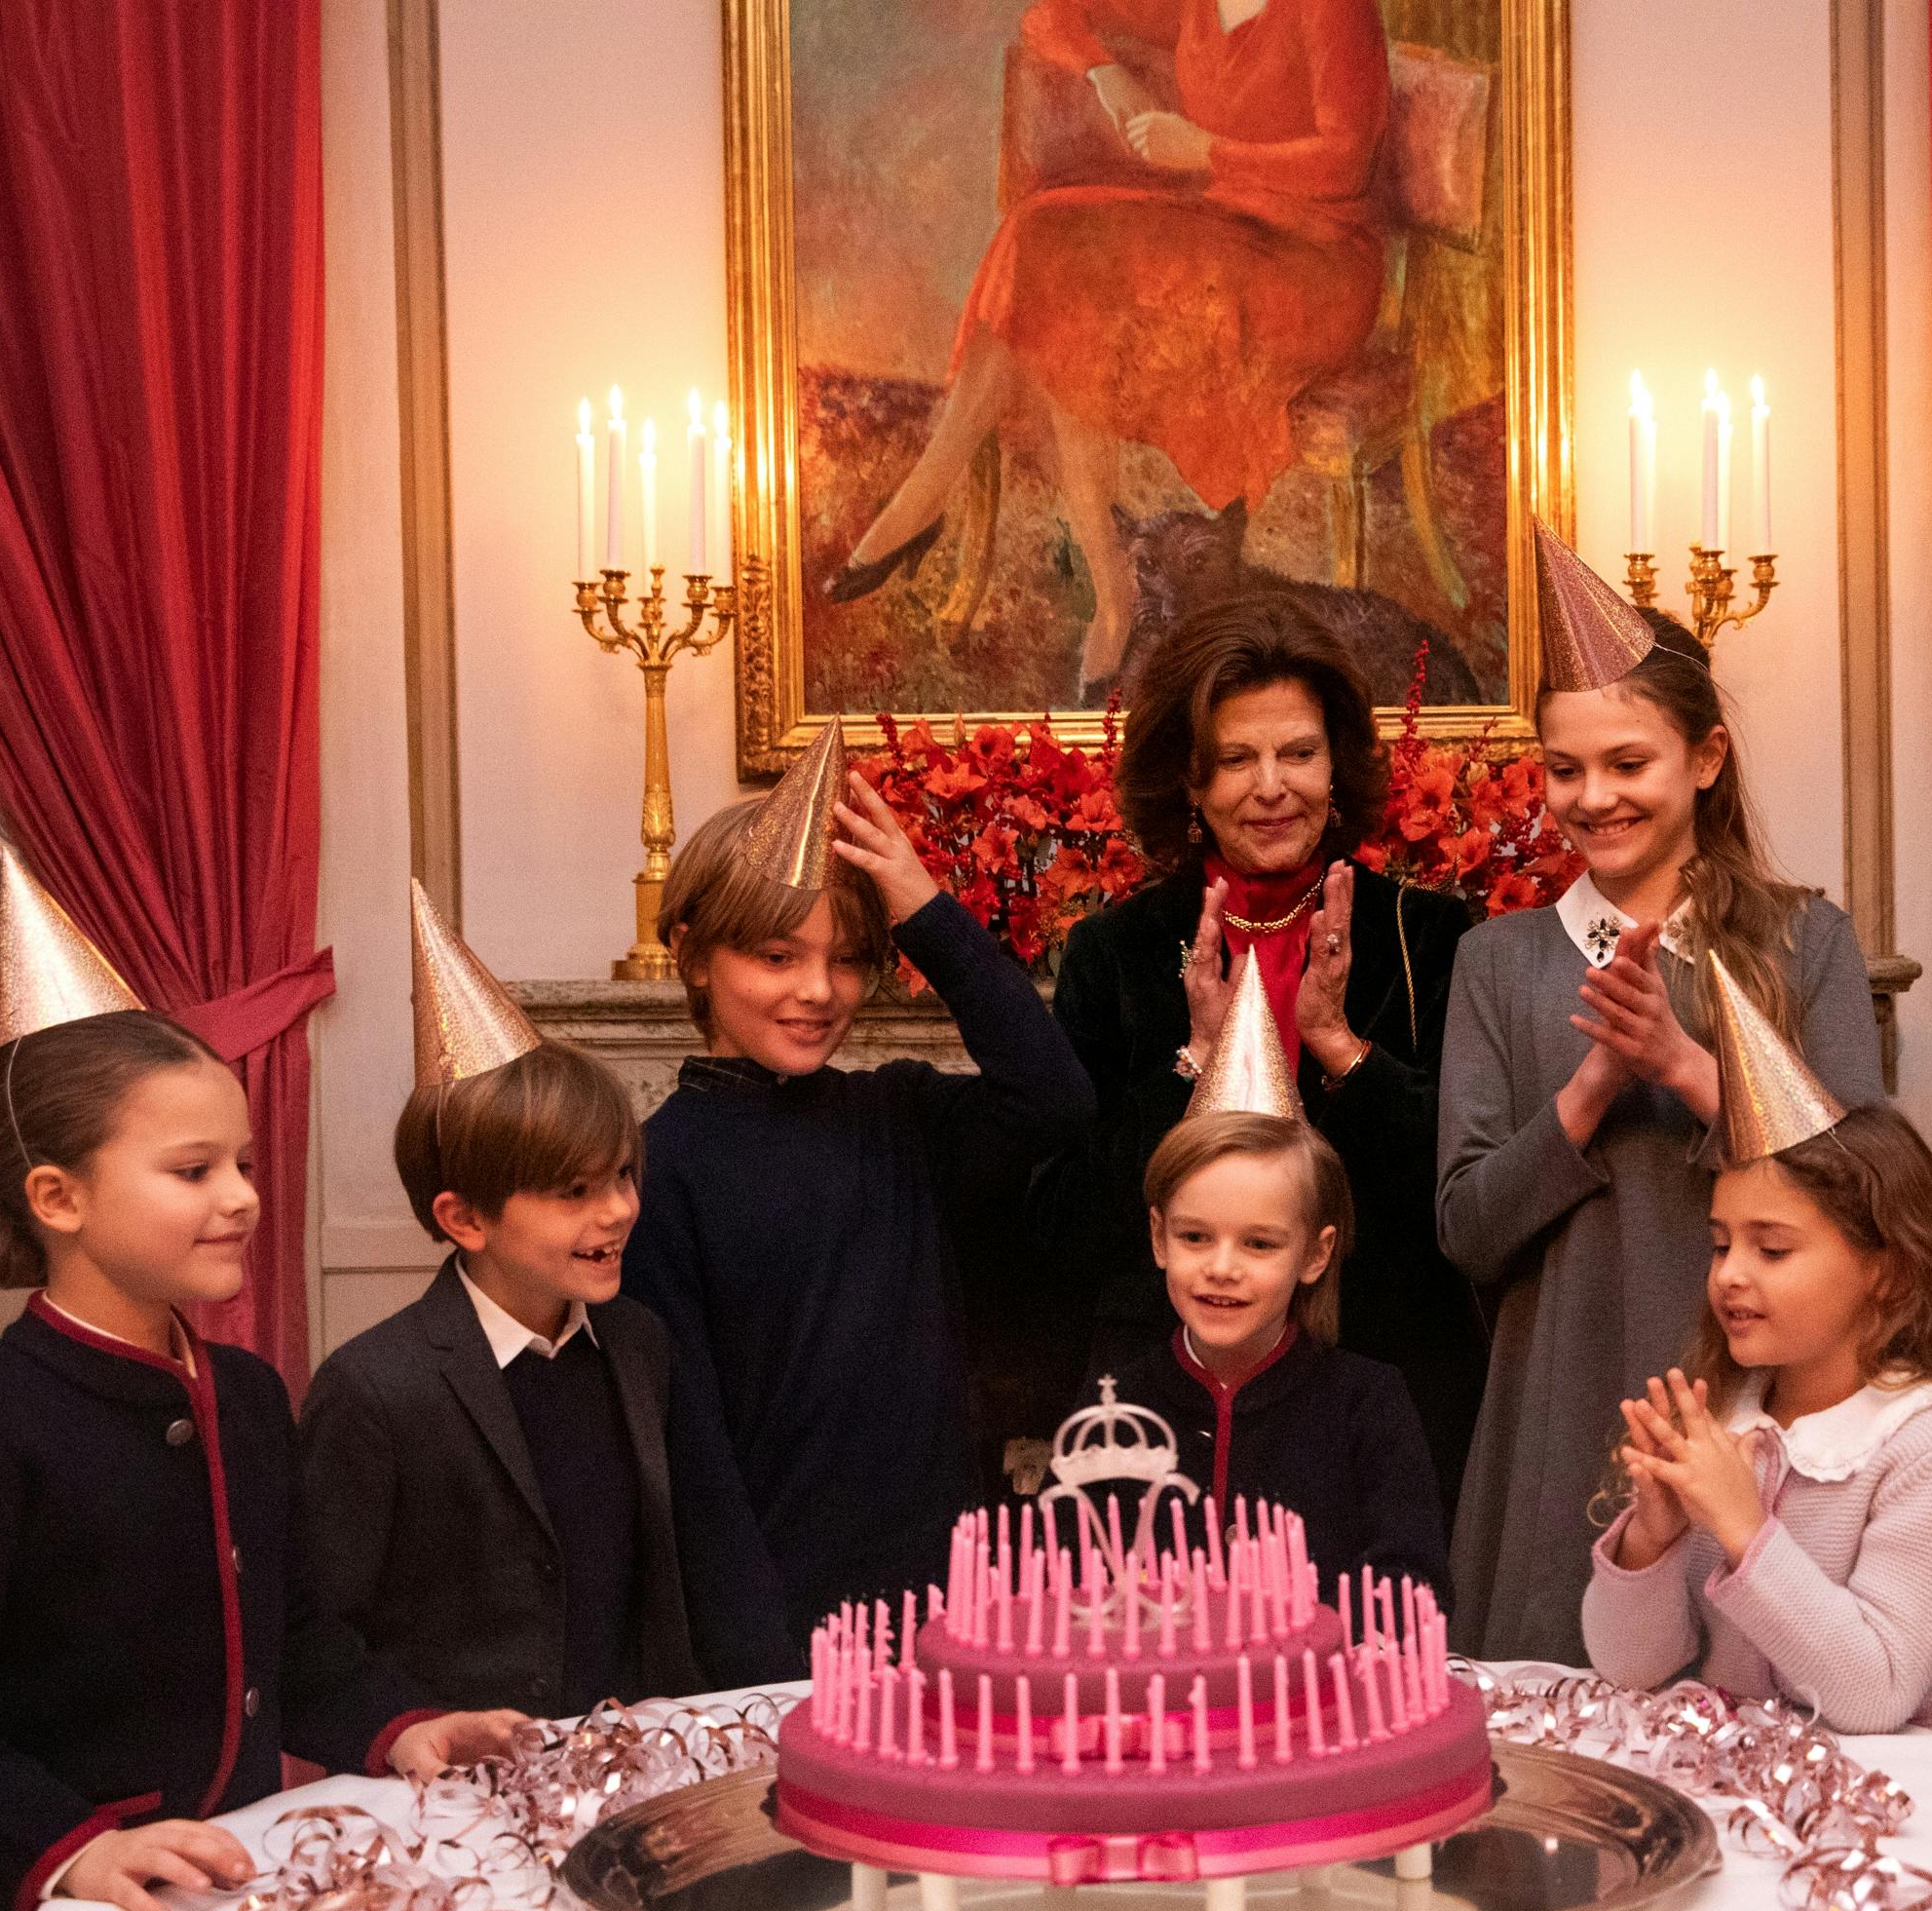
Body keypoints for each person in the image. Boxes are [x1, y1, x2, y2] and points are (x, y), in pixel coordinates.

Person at [0, 866, 518, 1911]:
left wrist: (403, 1723)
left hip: (225, 1895)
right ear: (57, 1195)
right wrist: (67, 1850)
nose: (243, 1195)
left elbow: (290, 1639)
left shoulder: (243, 1394)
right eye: (194, 1171)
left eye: (241, 1161)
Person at [1436, 531, 1886, 1664]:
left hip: (1763, 1400)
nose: (1593, 797)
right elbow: (1468, 1228)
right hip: (1559, 1408)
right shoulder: (1501, 963)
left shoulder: (1804, 940)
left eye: (1628, 763)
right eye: (1565, 769)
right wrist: (1590, 1087)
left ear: (1706, 756)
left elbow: (1872, 1191)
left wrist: (1688, 1068)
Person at [622, 730, 1095, 1686]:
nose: (816, 990)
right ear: (694, 956)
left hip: (945, 1602)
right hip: (780, 1629)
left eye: (844, 962)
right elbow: (694, 1457)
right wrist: (758, 1664)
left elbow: (1057, 1098)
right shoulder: (657, 1170)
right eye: (776, 955)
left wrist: (925, 910)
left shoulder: (901, 1114)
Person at [1046, 592, 1480, 1516]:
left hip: (1386, 1385)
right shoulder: (1115, 953)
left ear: (1338, 769)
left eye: (1297, 753)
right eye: (1235, 760)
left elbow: (1460, 1201)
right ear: (1189, 785)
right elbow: (1076, 1219)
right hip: (1163, 1404)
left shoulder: (1430, 937)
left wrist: (1339, 1048)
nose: (1270, 786)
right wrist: (1190, 1063)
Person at [824, 0, 1394, 698]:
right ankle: (1108, 591)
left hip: (1313, 267)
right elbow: (1050, 16)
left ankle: (925, 502)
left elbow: (1347, 161)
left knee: (1070, 279)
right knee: (1050, 250)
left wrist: (1207, 150)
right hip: (1225, 233)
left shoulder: (1333, 8)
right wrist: (1106, 74)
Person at [1584, 962, 1932, 1743]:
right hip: (1767, 1789)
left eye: (1773, 1249)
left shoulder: (1930, 1448)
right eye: (1720, 1245)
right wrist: (1650, 1541)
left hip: (1926, 1802)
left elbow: (1873, 1693)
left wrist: (1744, 1527)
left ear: (1885, 1271)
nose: (1730, 1275)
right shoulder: (1728, 1419)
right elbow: (1627, 1668)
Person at [296, 888, 701, 1717]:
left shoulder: (637, 1347)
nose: (619, 1210)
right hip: (451, 1795)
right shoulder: (375, 1389)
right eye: (574, 1191)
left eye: (622, 1174)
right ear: (464, 1218)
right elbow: (315, 1638)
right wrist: (411, 1731)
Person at [1102, 966, 1449, 1596]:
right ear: (1158, 1238)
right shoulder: (1115, 1400)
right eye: (1194, 1236)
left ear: (1315, 1255)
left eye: (1258, 1243)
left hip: (1322, 1694)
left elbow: (1415, 1592)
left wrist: (1292, 1622)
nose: (1222, 1266)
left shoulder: (1367, 1404)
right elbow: (1059, 1586)